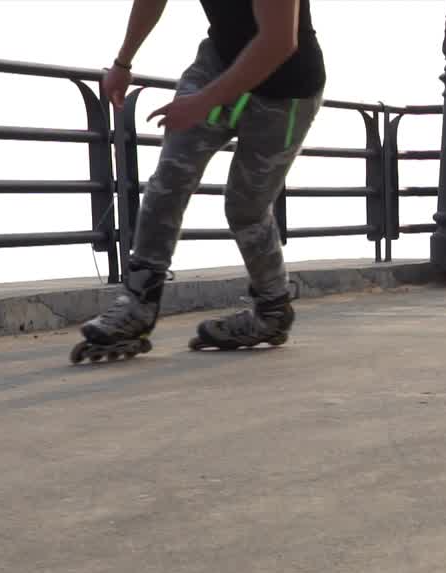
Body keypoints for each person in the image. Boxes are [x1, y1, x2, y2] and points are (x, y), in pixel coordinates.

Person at [72, 0, 326, 363]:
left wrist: (203, 101)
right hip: (218, 63)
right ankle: (137, 302)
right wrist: (122, 62)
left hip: (285, 90)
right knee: (170, 178)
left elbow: (278, 41)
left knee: (246, 209)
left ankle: (272, 310)